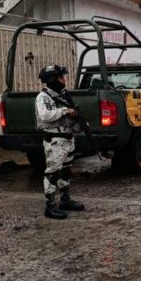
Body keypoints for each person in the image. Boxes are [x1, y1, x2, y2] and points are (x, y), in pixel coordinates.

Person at [35, 64, 85, 220]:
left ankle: (65, 199)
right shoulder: (43, 97)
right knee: (53, 172)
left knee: (66, 170)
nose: (64, 80)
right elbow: (45, 115)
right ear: (52, 79)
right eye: (61, 77)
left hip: (67, 138)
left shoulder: (63, 95)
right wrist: (65, 111)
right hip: (54, 140)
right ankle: (50, 206)